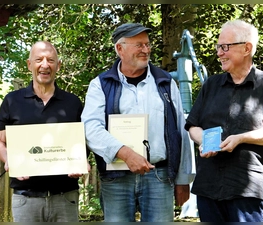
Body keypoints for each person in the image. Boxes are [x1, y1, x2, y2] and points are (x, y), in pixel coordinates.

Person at [184, 19, 263, 222]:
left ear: (247, 48)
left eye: (225, 47)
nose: (219, 53)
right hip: (208, 187)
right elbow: (193, 126)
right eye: (219, 47)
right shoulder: (211, 85)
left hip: (248, 190)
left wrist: (241, 138)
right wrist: (204, 141)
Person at [81, 22, 195, 222]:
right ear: (120, 49)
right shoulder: (100, 84)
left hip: (159, 177)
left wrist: (183, 180)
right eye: (139, 45)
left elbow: (181, 131)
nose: (146, 50)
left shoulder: (166, 82)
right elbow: (90, 128)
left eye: (147, 44)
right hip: (116, 179)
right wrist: (125, 153)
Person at [0, 41, 87, 222]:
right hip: (26, 197)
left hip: (65, 197)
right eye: (39, 59)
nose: (45, 65)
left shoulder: (73, 102)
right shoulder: (12, 101)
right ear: (30, 65)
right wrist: (8, 158)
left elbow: (82, 141)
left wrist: (80, 161)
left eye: (50, 60)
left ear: (58, 66)